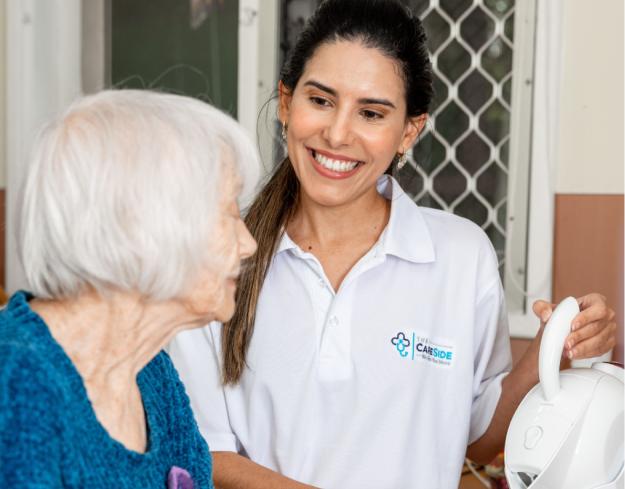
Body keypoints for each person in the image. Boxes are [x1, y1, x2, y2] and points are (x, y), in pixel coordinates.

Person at [166, 1, 617, 488]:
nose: (337, 134)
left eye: (371, 113)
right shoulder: (219, 258)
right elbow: (203, 453)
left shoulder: (461, 258)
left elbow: (478, 441)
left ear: (409, 131)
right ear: (285, 102)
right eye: (320, 101)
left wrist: (558, 344)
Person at [0, 90, 260, 488]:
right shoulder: (13, 390)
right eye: (229, 214)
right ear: (141, 232)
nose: (248, 243)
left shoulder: (150, 373)